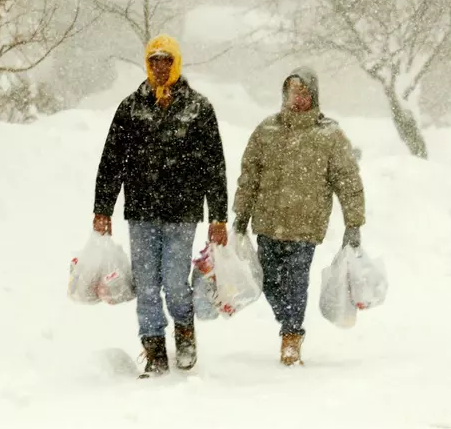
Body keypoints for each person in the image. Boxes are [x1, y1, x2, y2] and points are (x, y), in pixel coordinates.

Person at [92, 34, 229, 379]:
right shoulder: (131, 107)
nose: (159, 67)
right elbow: (112, 161)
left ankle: (184, 332)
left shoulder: (198, 108)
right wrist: (102, 208)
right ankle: (153, 347)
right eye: (153, 61)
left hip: (182, 212)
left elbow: (214, 164)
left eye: (166, 60)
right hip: (141, 211)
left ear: (176, 63)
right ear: (147, 64)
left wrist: (219, 216)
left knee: (174, 280)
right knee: (147, 283)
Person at [232, 67, 365, 367]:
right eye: (294, 92)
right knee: (267, 281)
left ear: (313, 96)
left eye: (305, 93)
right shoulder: (267, 130)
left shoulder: (329, 134)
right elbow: (249, 175)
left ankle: (291, 336)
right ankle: (287, 320)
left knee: (295, 282)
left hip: (305, 226)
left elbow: (348, 180)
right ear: (285, 94)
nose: (299, 98)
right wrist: (241, 213)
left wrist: (353, 223)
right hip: (268, 222)